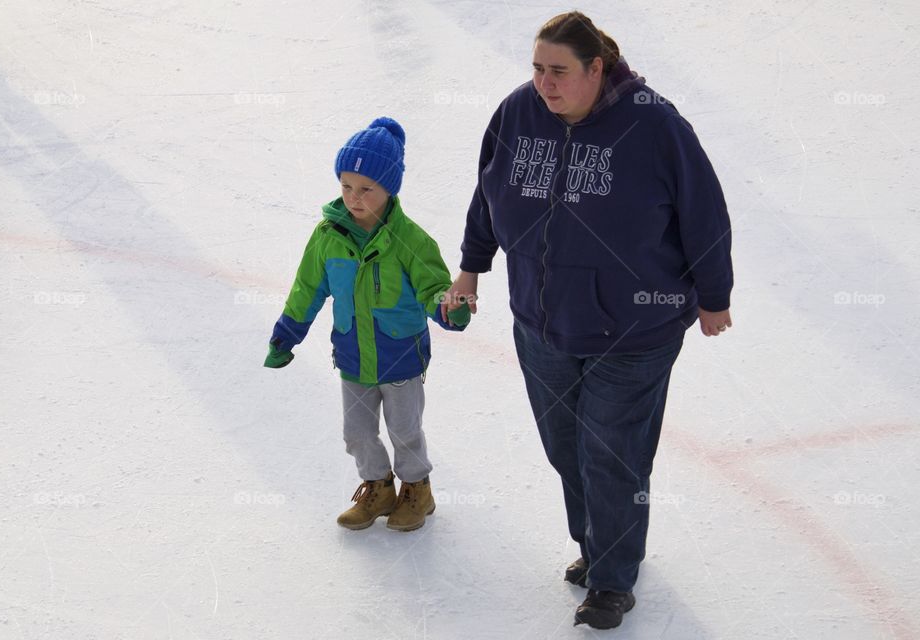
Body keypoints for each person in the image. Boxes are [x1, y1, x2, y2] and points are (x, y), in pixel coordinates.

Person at [442, 11, 734, 630]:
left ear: (596, 68)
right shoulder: (517, 115)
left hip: (635, 329)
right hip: (541, 321)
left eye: (560, 72)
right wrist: (471, 268)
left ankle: (611, 580)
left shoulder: (654, 125)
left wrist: (714, 295)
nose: (545, 84)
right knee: (566, 446)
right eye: (538, 70)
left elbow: (704, 211)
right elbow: (487, 192)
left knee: (612, 453)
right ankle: (597, 543)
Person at [265, 117, 471, 532]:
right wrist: (287, 333)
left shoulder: (410, 241)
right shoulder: (327, 236)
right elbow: (307, 289)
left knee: (404, 431)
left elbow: (435, 286)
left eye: (366, 189)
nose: (354, 198)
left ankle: (417, 490)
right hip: (353, 355)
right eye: (346, 186)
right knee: (356, 432)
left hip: (400, 357)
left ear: (389, 188)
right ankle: (377, 487)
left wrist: (450, 307)